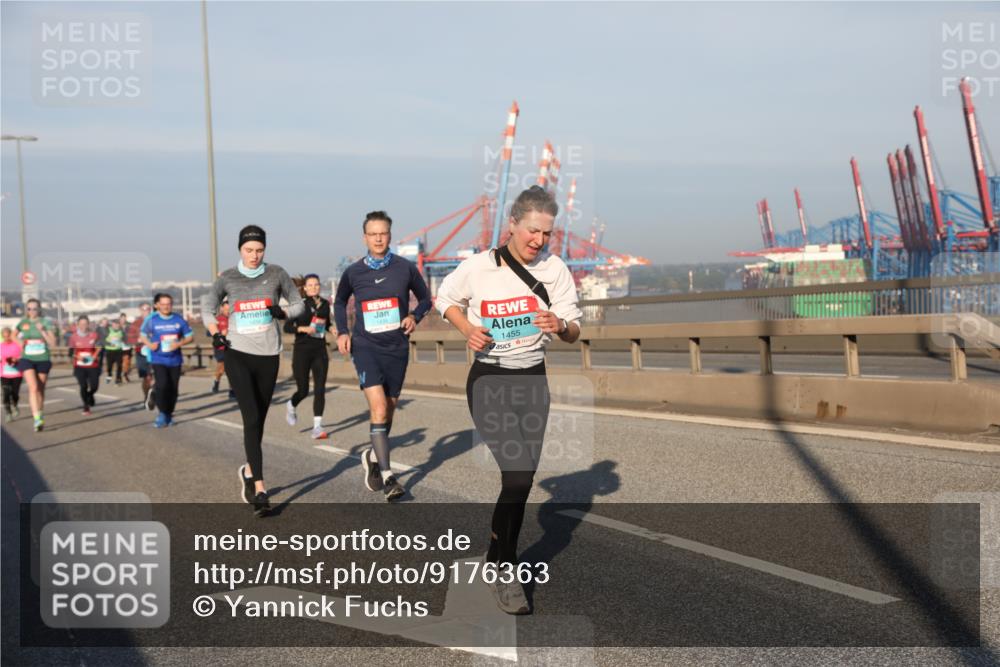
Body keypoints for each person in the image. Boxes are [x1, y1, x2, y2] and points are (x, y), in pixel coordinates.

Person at [436, 186, 582, 615]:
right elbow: (445, 298)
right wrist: (466, 329)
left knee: (516, 484)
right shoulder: (479, 267)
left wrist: (559, 324)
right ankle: (506, 571)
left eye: (547, 234)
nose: (539, 241)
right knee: (518, 479)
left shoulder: (555, 270)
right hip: (489, 380)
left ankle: (496, 557)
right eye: (532, 231)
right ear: (513, 225)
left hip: (533, 382)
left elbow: (574, 329)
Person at [201, 225, 304, 517]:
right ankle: (260, 487)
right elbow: (207, 307)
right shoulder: (228, 278)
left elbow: (299, 304)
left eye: (259, 250)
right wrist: (214, 331)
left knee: (259, 417)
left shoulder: (276, 274)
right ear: (239, 250)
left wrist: (283, 312)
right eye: (249, 250)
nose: (254, 256)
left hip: (268, 354)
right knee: (251, 417)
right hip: (237, 353)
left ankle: (248, 470)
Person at [334, 211, 431, 502]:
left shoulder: (405, 268)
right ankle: (389, 476)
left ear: (390, 235)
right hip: (365, 346)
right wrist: (342, 331)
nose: (378, 238)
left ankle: (374, 457)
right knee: (377, 408)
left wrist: (415, 316)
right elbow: (339, 301)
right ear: (365, 237)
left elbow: (426, 298)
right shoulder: (354, 272)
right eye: (373, 233)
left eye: (383, 233)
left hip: (397, 348)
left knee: (387, 410)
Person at [284, 274, 332, 440]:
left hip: (320, 350)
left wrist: (333, 330)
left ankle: (317, 427)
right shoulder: (299, 306)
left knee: (320, 389)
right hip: (302, 351)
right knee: (303, 390)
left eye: (316, 285)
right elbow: (287, 327)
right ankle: (291, 405)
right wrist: (303, 329)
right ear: (304, 288)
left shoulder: (325, 304)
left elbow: (327, 323)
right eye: (310, 285)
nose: (313, 287)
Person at [139, 293, 193, 428]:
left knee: (173, 389)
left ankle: (169, 414)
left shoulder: (178, 319)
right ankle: (162, 414)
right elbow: (142, 335)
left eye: (169, 304)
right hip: (158, 359)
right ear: (157, 305)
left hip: (175, 360)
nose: (166, 307)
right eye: (163, 304)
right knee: (162, 386)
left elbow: (189, 336)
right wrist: (150, 345)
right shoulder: (152, 320)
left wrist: (179, 344)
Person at [15, 299, 57, 432]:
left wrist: (43, 331)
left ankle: (40, 412)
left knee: (40, 388)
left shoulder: (45, 322)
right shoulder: (23, 322)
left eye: (34, 308)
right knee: (33, 387)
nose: (32, 311)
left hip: (43, 358)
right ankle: (37, 418)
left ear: (39, 309)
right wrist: (19, 342)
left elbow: (53, 343)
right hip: (27, 358)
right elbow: (13, 334)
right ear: (26, 310)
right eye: (29, 308)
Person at [67, 315, 101, 415]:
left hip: (93, 365)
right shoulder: (73, 337)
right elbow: (70, 352)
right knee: (83, 386)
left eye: (85, 324)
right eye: (81, 324)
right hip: (79, 366)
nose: (83, 326)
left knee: (94, 386)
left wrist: (95, 355)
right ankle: (86, 406)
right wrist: (78, 357)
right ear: (77, 325)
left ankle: (90, 395)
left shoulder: (94, 335)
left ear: (88, 324)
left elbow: (99, 347)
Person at [128, 302, 156, 410]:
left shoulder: (156, 321)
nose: (146, 311)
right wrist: (138, 340)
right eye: (144, 309)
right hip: (142, 352)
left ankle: (153, 393)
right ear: (140, 310)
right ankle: (147, 396)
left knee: (155, 376)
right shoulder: (136, 323)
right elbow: (129, 339)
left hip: (155, 352)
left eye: (148, 309)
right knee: (146, 378)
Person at [210, 301, 233, 397]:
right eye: (226, 309)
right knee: (221, 369)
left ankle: (232, 391)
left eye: (229, 309)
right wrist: (220, 333)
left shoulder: (234, 319)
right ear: (222, 308)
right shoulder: (217, 319)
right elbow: (209, 333)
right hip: (221, 348)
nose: (228, 312)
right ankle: (216, 380)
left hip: (232, 347)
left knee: (232, 370)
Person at [1, 327, 23, 421]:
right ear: (2, 336)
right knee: (6, 393)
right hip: (4, 374)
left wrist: (17, 359)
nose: (7, 338)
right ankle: (8, 413)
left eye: (8, 335)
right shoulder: (0, 346)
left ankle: (15, 405)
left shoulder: (18, 345)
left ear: (12, 335)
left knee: (15, 393)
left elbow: (24, 356)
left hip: (17, 374)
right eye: (4, 336)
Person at [103, 318, 125, 384]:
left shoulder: (121, 331)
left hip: (118, 350)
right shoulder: (107, 330)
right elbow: (103, 340)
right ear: (112, 325)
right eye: (115, 324)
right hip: (109, 351)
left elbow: (125, 339)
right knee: (109, 366)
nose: (116, 325)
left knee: (119, 365)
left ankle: (118, 378)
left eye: (117, 324)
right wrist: (109, 343)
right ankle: (109, 375)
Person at [119, 313, 133, 383]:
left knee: (128, 362)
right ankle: (124, 374)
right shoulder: (117, 325)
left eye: (124, 318)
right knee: (125, 360)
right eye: (122, 318)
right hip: (120, 346)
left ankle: (125, 373)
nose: (123, 319)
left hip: (128, 345)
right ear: (120, 318)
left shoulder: (129, 325)